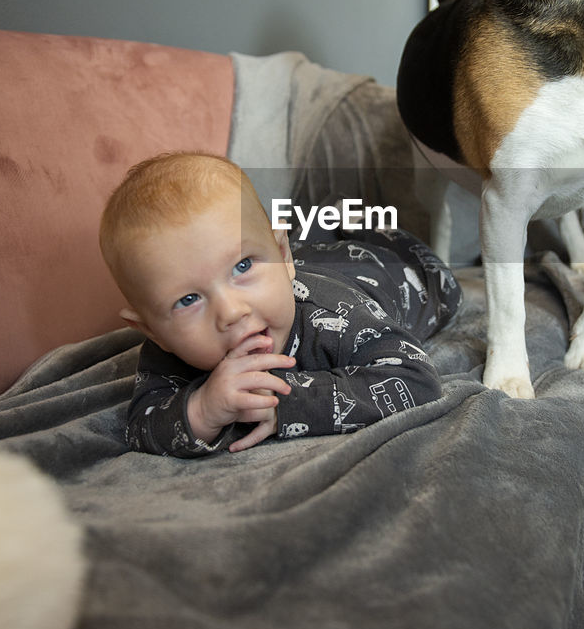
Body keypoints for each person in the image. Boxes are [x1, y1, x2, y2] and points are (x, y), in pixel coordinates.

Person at [99, 151, 460, 457]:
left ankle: (331, 229)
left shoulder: (335, 319)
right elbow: (141, 426)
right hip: (304, 262)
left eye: (242, 266)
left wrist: (288, 404)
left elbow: (418, 380)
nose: (231, 312)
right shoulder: (170, 352)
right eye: (188, 299)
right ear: (151, 330)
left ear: (281, 255)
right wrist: (202, 409)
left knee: (438, 285)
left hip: (399, 266)